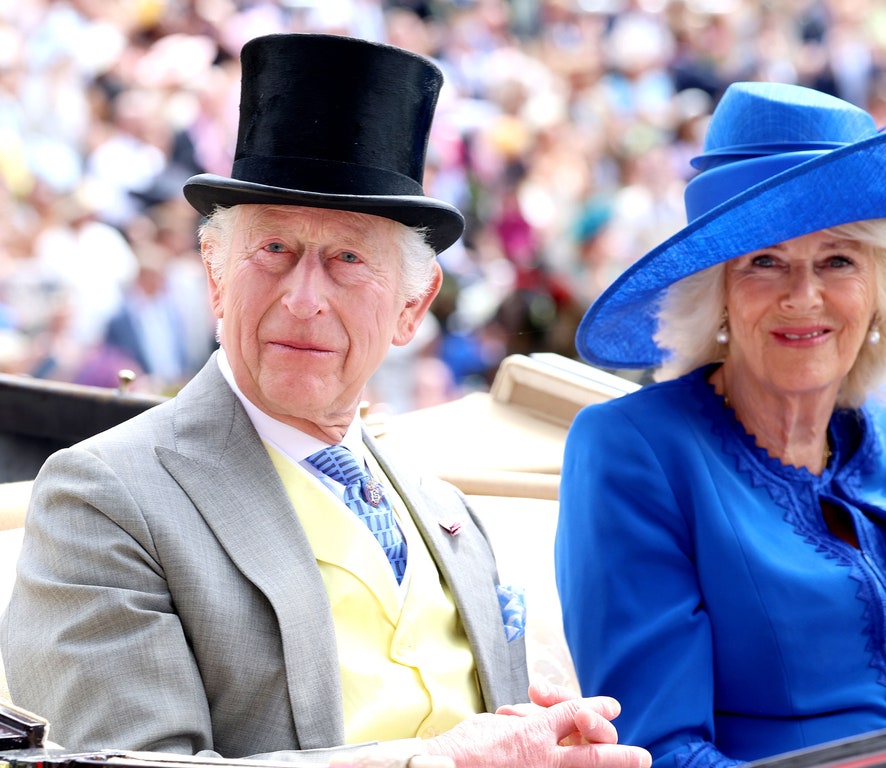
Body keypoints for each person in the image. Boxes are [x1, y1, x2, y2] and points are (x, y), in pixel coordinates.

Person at [0, 33, 652, 768]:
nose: (304, 300)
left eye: (347, 259)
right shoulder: (103, 498)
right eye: (273, 250)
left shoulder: (447, 511)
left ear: (414, 305)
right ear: (215, 278)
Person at [554, 81, 886, 768]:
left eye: (838, 260)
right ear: (715, 292)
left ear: (883, 285)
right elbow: (659, 748)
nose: (804, 297)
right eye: (764, 263)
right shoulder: (635, 450)